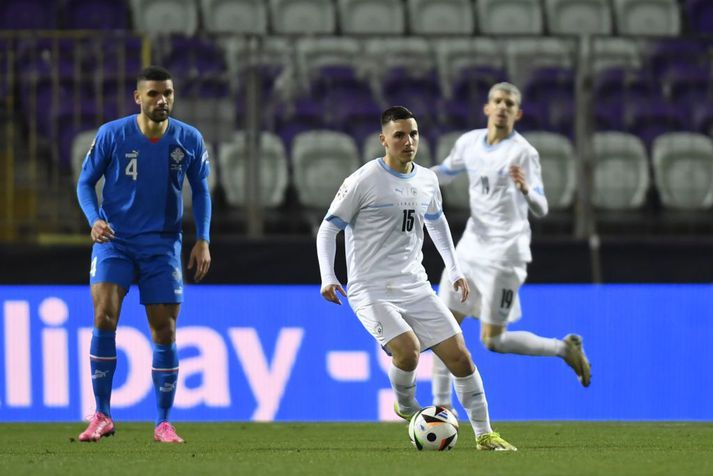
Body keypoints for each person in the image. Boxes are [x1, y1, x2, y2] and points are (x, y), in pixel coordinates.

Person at [317, 106, 516, 451]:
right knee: (407, 352)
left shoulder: (426, 179)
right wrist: (328, 275)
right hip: (371, 288)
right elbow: (328, 228)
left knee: (461, 357)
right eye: (399, 135)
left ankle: (485, 435)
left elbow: (436, 223)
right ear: (383, 140)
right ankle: (407, 406)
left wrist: (453, 269)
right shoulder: (363, 180)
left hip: (415, 285)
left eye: (413, 134)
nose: (408, 142)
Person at [429, 82, 591, 413]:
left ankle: (564, 350)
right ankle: (440, 411)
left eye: (509, 103)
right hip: (470, 249)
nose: (502, 106)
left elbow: (542, 207)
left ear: (518, 113)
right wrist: (408, 179)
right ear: (487, 108)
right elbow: (444, 173)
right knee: (443, 328)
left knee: (493, 341)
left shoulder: (524, 153)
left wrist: (526, 189)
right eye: (497, 101)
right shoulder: (469, 143)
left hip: (506, 256)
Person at [76, 65, 212, 443]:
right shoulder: (112, 134)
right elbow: (86, 182)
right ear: (138, 97)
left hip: (162, 244)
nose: (161, 100)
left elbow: (200, 190)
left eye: (167, 93)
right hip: (114, 240)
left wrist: (203, 238)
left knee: (164, 331)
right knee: (104, 316)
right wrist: (93, 219)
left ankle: (163, 423)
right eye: (153, 94)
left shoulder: (188, 139)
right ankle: (102, 414)